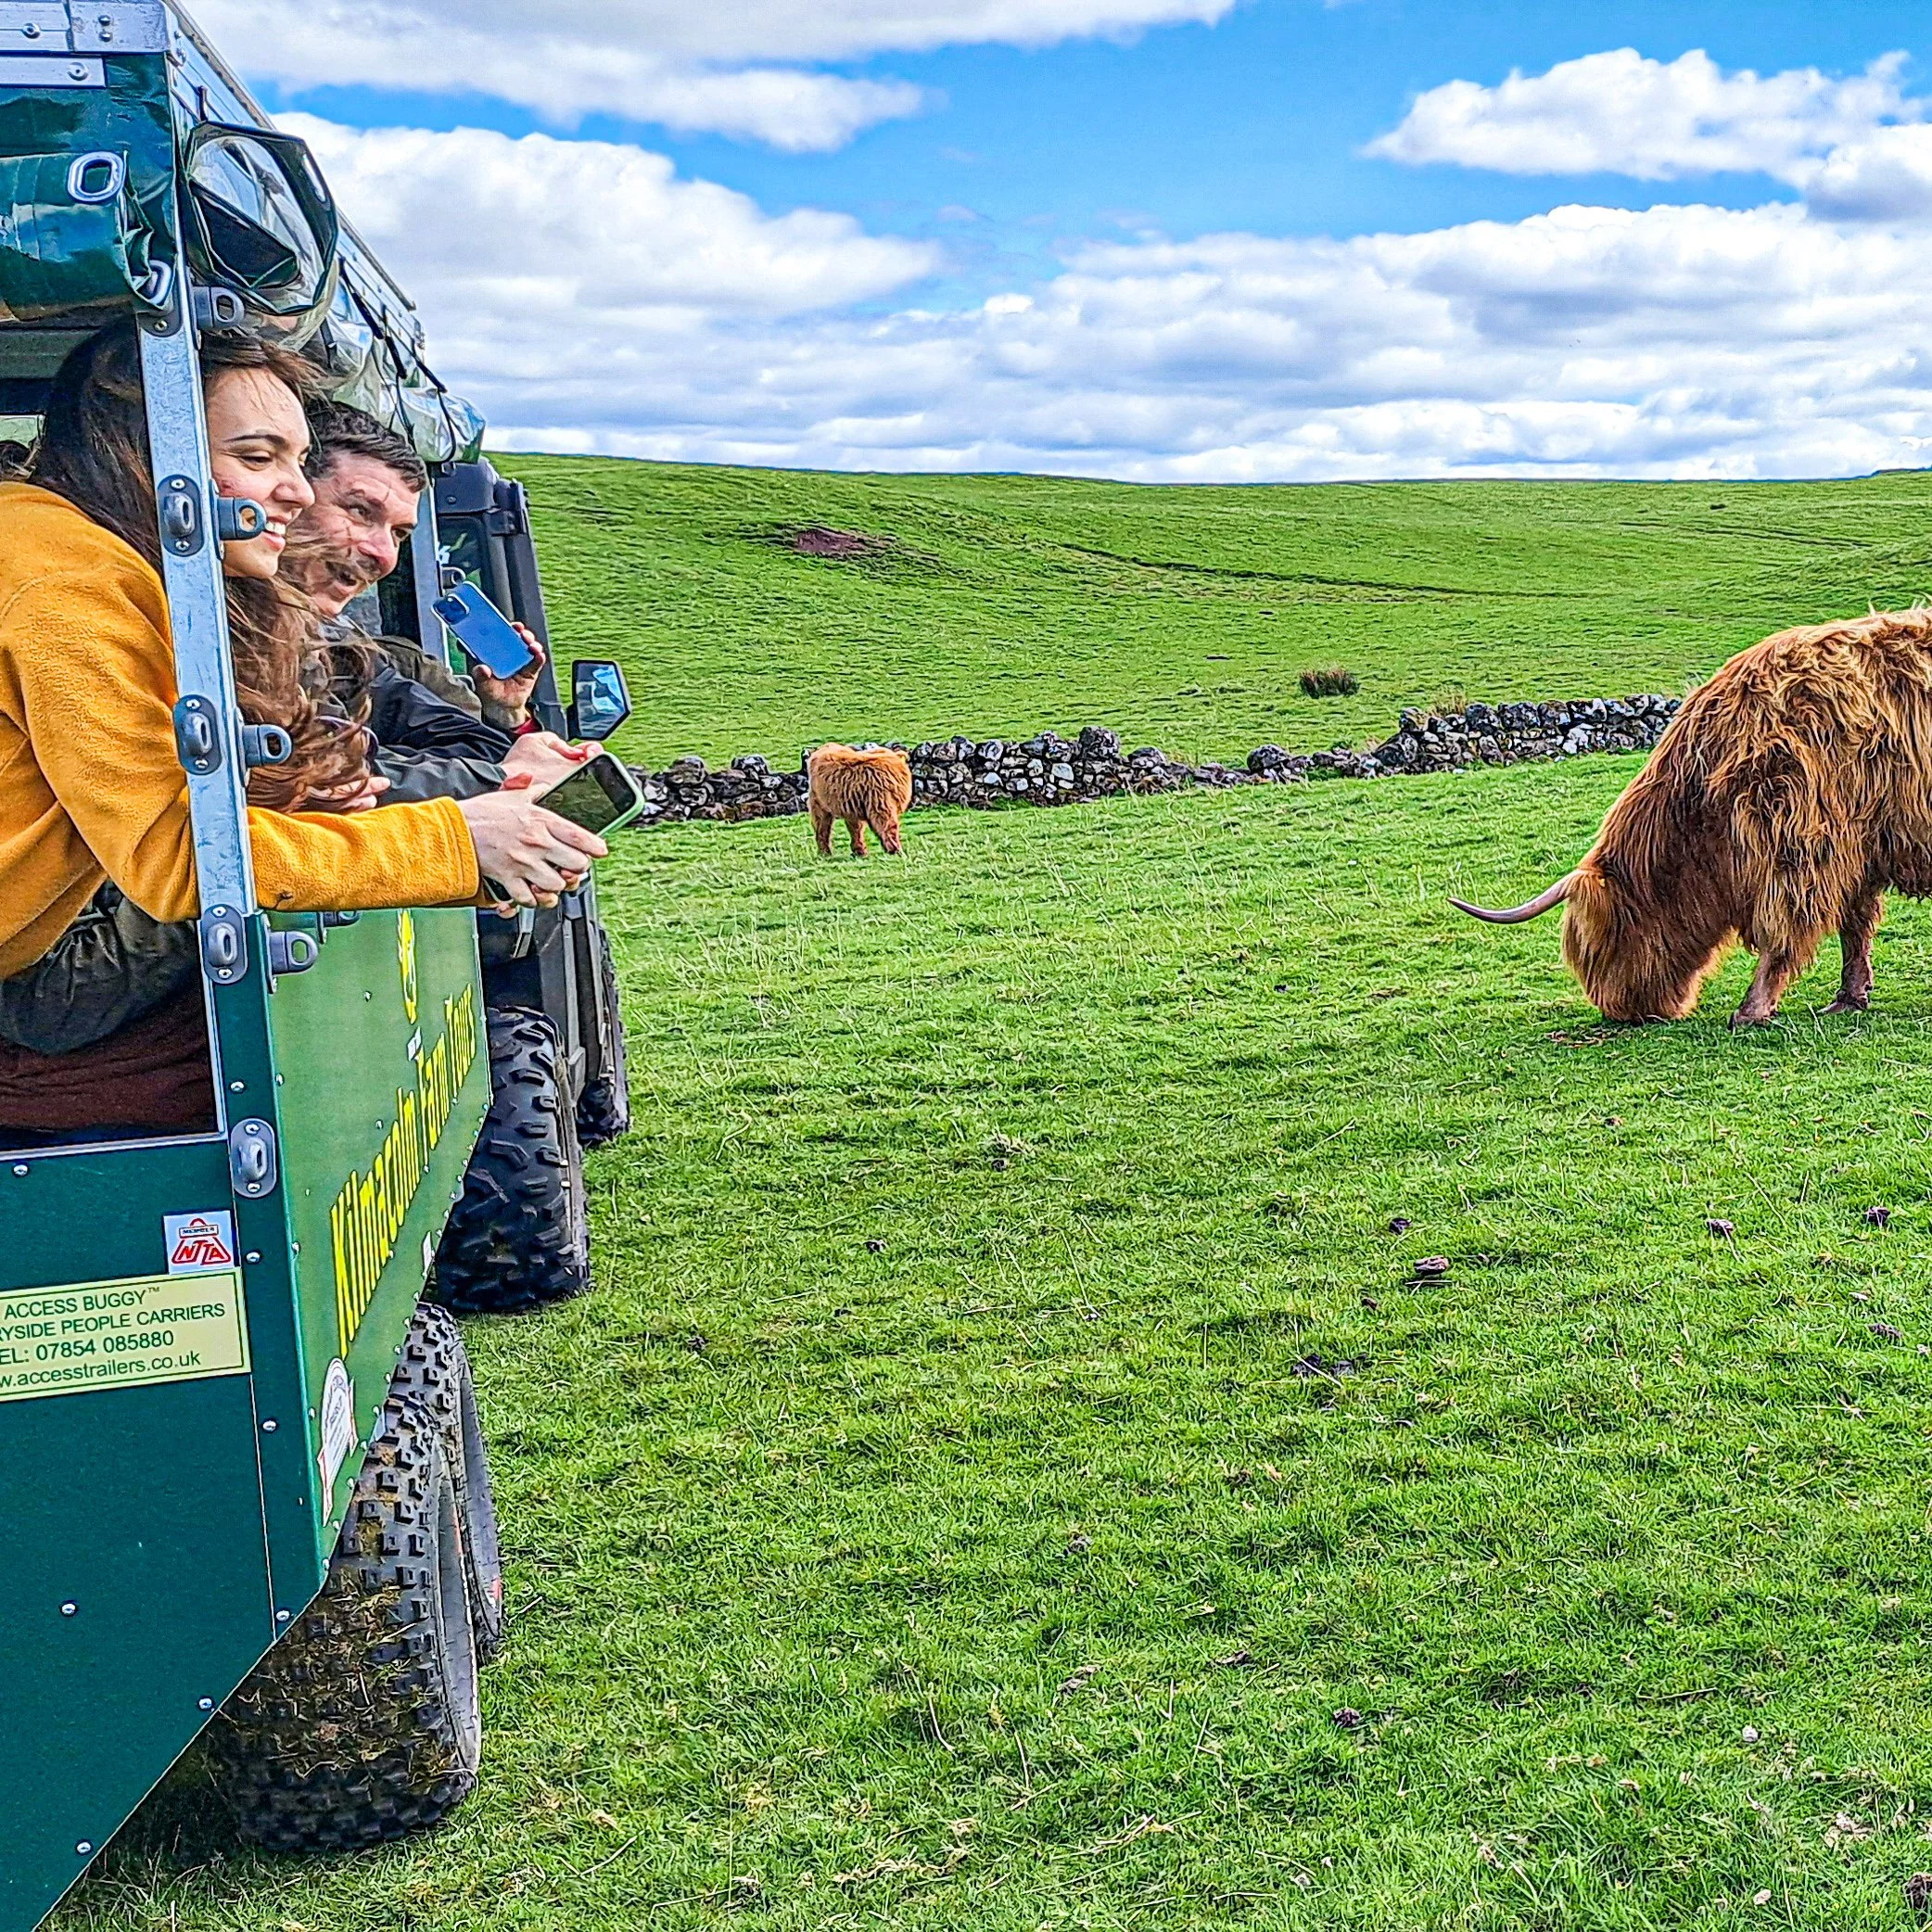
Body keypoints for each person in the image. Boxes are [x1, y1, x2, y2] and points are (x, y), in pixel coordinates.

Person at [0, 321, 605, 1138]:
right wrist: (456, 843)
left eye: (295, 459)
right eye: (257, 459)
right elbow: (183, 857)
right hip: (32, 968)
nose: (293, 490)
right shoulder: (67, 585)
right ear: (137, 453)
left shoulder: (96, 561)